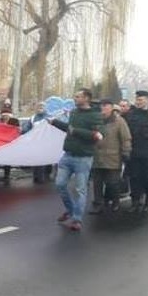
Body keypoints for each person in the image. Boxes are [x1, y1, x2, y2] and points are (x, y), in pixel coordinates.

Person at [49, 88, 103, 232]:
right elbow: (69, 129)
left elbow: (98, 135)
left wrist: (76, 131)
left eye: (78, 96)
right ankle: (71, 210)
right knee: (60, 184)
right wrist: (54, 122)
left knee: (80, 190)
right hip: (67, 155)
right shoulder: (74, 112)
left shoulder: (95, 115)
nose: (75, 98)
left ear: (86, 98)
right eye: (75, 96)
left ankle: (77, 219)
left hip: (83, 158)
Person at [90, 99, 132, 214]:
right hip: (97, 157)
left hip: (113, 158)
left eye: (106, 106)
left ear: (112, 107)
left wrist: (126, 152)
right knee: (97, 183)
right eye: (102, 106)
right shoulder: (96, 120)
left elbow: (126, 138)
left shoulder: (119, 121)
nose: (103, 108)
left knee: (113, 183)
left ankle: (115, 201)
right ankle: (98, 204)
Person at [22, 102, 51, 183]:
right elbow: (26, 128)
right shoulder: (33, 118)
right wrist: (22, 130)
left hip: (46, 142)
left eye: (42, 106)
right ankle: (36, 177)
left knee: (43, 160)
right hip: (35, 142)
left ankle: (44, 177)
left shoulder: (49, 117)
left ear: (45, 108)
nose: (40, 108)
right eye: (38, 107)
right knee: (36, 160)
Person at [0, 105, 20, 181]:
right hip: (0, 142)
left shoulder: (14, 121)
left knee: (7, 159)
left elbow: (17, 130)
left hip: (10, 143)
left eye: (6, 115)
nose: (5, 117)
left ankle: (6, 174)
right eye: (3, 115)